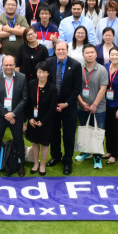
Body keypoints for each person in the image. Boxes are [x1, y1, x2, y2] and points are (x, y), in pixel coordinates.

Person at [0, 55, 28, 177]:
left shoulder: (22, 77)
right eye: (6, 65)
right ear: (3, 65)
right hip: (0, 115)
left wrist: (13, 113)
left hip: (16, 115)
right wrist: (6, 114)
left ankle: (21, 164)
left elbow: (24, 98)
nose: (8, 67)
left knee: (19, 140)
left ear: (15, 65)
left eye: (11, 65)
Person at [48, 41, 84, 175]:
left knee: (69, 135)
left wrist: (66, 104)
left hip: (69, 107)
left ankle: (67, 161)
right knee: (54, 133)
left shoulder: (75, 65)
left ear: (67, 50)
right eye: (58, 49)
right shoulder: (49, 62)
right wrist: (52, 104)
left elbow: (77, 88)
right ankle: (56, 156)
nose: (61, 51)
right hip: (53, 107)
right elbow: (46, 84)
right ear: (55, 51)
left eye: (63, 49)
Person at [75, 44, 110, 169]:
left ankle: (97, 156)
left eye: (92, 52)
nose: (90, 55)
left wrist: (94, 105)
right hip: (82, 106)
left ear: (96, 54)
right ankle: (86, 152)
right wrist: (81, 102)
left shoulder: (102, 69)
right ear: (83, 55)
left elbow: (103, 89)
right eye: (87, 52)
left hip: (98, 108)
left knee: (97, 132)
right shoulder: (78, 68)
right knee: (85, 130)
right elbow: (76, 88)